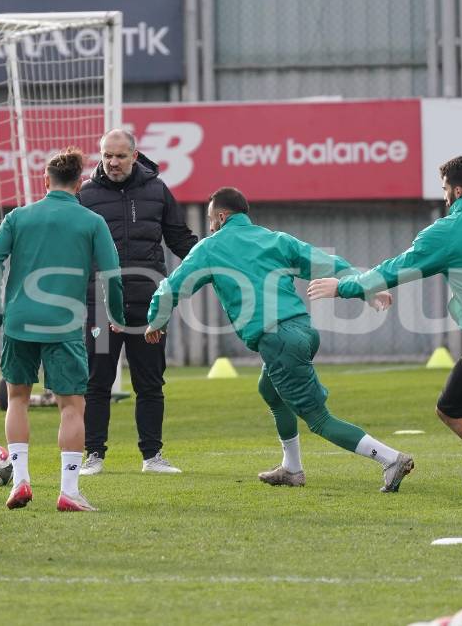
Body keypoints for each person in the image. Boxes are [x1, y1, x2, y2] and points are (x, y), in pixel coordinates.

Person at [145, 187, 414, 492]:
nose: (209, 226)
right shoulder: (276, 239)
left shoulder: (210, 247)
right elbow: (327, 263)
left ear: (220, 217)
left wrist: (156, 319)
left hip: (278, 340)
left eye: (210, 220)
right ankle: (292, 469)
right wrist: (367, 286)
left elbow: (172, 287)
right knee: (269, 389)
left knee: (319, 420)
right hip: (302, 330)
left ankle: (390, 459)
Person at [307, 155, 462, 450]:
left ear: (458, 191)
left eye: (445, 190)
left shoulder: (447, 231)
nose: (445, 197)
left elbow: (394, 269)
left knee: (453, 409)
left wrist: (343, 287)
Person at [0, 148, 124, 512]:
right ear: (80, 184)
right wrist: (117, 315)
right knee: (72, 406)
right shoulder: (92, 221)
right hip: (64, 326)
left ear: (45, 180)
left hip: (19, 322)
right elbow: (112, 274)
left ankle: (21, 481)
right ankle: (69, 491)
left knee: (17, 399)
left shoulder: (18, 217)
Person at [76, 128, 198, 476]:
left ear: (134, 155)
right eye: (107, 156)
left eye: (119, 156)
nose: (113, 162)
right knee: (97, 380)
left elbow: (180, 239)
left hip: (149, 305)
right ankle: (93, 455)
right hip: (101, 306)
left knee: (150, 381)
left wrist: (210, 264)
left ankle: (152, 456)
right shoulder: (86, 195)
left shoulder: (157, 190)